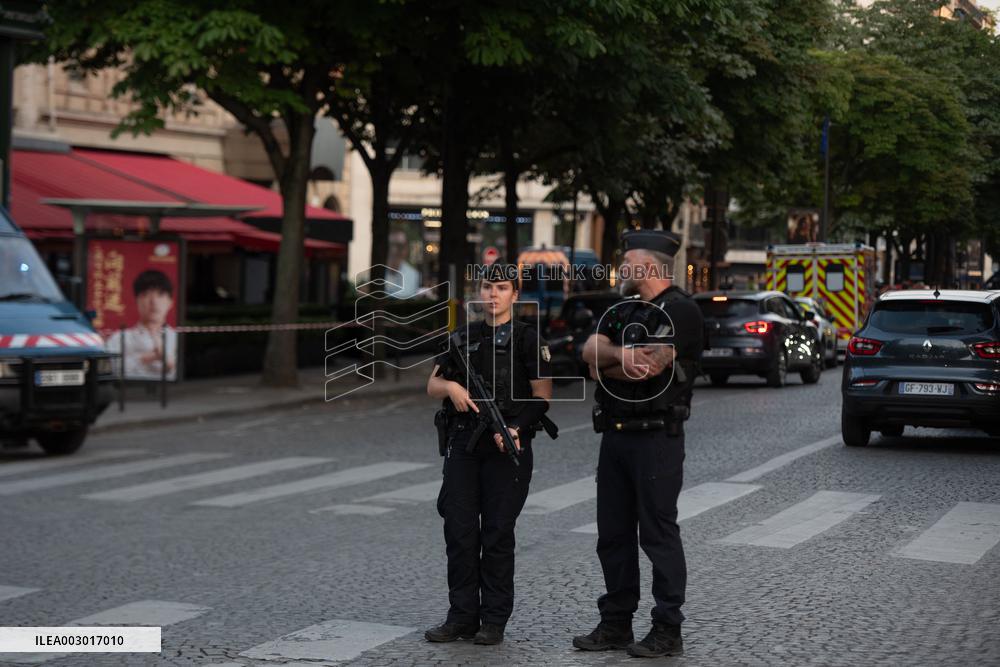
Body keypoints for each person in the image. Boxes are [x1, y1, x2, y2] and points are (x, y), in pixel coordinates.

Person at [573, 230, 703, 658]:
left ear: (648, 266)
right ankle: (616, 623)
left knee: (658, 534)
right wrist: (618, 356)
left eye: (627, 262)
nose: (622, 268)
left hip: (656, 438)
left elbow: (647, 369)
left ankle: (668, 628)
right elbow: (588, 352)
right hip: (615, 434)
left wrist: (612, 362)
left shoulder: (681, 311)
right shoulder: (623, 309)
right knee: (613, 535)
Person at [424, 262, 554, 646]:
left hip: (508, 444)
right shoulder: (462, 337)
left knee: (497, 534)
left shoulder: (528, 339)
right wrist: (451, 388)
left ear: (515, 294)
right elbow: (432, 384)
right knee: (460, 531)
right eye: (487, 287)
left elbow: (543, 397)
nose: (493, 294)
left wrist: (515, 428)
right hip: (464, 444)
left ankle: (494, 620)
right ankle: (461, 616)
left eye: (502, 288)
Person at [106, 269, 177, 380]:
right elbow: (111, 369)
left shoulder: (177, 338)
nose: (153, 301)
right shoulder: (120, 337)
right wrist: (145, 358)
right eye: (146, 294)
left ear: (170, 302)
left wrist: (168, 361)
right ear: (136, 300)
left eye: (160, 294)